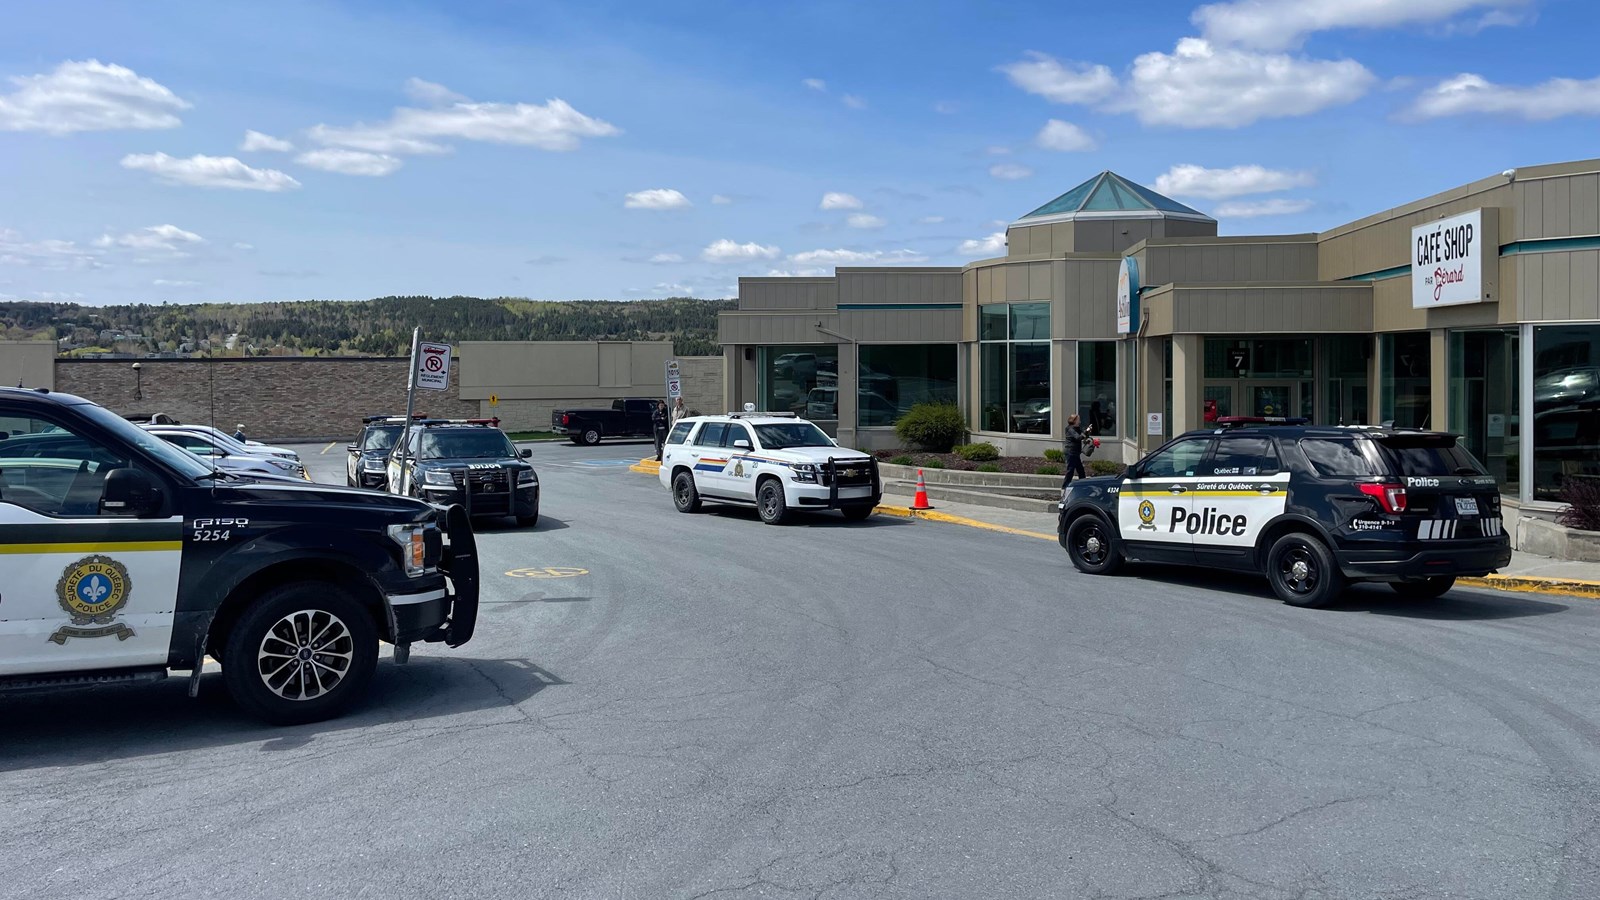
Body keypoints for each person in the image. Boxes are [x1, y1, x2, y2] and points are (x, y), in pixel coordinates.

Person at [1062, 413, 1092, 490]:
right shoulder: (1070, 429)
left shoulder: (1077, 428)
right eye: (1078, 419)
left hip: (1076, 452)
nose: (1080, 421)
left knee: (1081, 470)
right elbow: (1078, 437)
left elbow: (1083, 436)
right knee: (1070, 470)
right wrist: (1085, 432)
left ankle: (1083, 485)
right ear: (1074, 420)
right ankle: (1065, 487)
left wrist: (1087, 432)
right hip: (1070, 452)